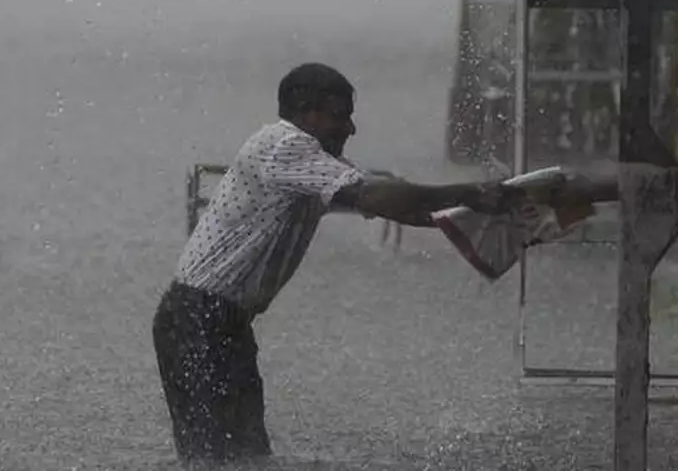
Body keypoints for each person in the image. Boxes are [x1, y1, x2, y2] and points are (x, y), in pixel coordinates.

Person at [151, 62, 616, 465]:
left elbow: (405, 208)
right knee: (213, 457)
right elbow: (375, 194)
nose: (350, 129)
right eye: (340, 117)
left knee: (245, 454)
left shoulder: (311, 164)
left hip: (220, 324)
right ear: (305, 113)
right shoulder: (284, 145)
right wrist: (468, 192)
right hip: (198, 320)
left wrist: (507, 214)